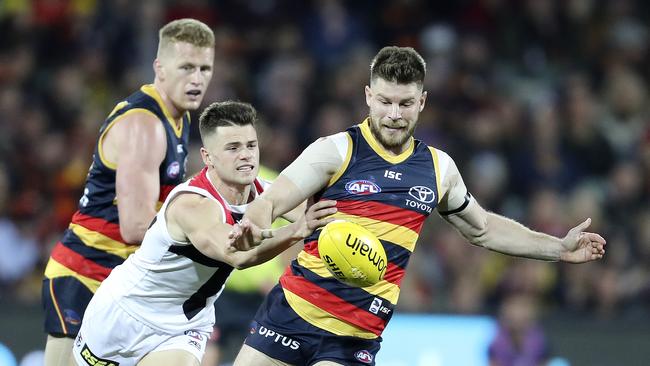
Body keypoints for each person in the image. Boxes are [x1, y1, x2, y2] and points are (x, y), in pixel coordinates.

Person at [229, 46, 607, 366]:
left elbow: (484, 229)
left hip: (355, 336)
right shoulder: (335, 151)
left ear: (422, 101)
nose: (394, 114)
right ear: (368, 96)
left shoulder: (438, 169)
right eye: (385, 101)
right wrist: (254, 226)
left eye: (406, 103)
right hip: (291, 311)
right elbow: (271, 202)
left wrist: (558, 248)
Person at [71, 101, 337, 366]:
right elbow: (237, 256)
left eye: (250, 146)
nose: (245, 155)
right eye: (233, 148)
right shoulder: (193, 205)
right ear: (208, 157)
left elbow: (327, 215)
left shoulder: (265, 193)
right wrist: (297, 229)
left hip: (185, 325)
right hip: (127, 313)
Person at [42, 18, 215, 366]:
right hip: (87, 275)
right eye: (186, 67)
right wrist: (211, 238)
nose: (196, 79)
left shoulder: (177, 116)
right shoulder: (145, 125)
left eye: (204, 68)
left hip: (128, 285)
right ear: (159, 68)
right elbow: (136, 226)